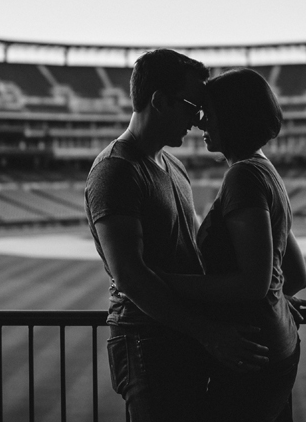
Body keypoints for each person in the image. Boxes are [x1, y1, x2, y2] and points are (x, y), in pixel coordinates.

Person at [85, 49, 270, 422]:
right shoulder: (115, 171)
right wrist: (209, 333)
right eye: (192, 105)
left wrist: (268, 295)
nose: (199, 118)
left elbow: (194, 251)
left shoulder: (172, 164)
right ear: (159, 101)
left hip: (179, 335)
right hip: (147, 341)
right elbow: (130, 276)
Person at [157, 67, 306, 422]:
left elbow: (254, 283)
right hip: (278, 345)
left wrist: (167, 281)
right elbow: (296, 275)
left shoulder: (242, 176)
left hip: (250, 356)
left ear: (231, 118)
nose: (200, 124)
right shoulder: (265, 171)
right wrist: (278, 298)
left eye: (209, 114)